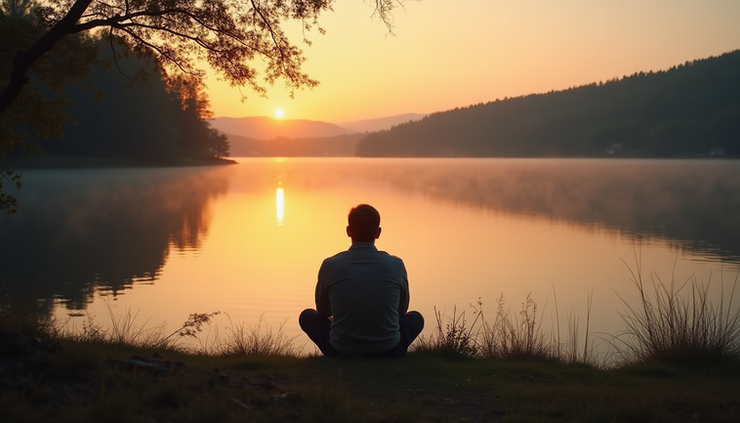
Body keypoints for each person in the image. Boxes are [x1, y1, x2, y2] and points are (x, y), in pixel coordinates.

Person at [299, 204, 424, 357]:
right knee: (416, 318)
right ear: (378, 233)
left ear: (348, 231)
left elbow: (323, 311)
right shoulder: (396, 265)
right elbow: (401, 312)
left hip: (339, 351)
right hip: (389, 350)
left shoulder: (330, 265)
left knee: (307, 316)